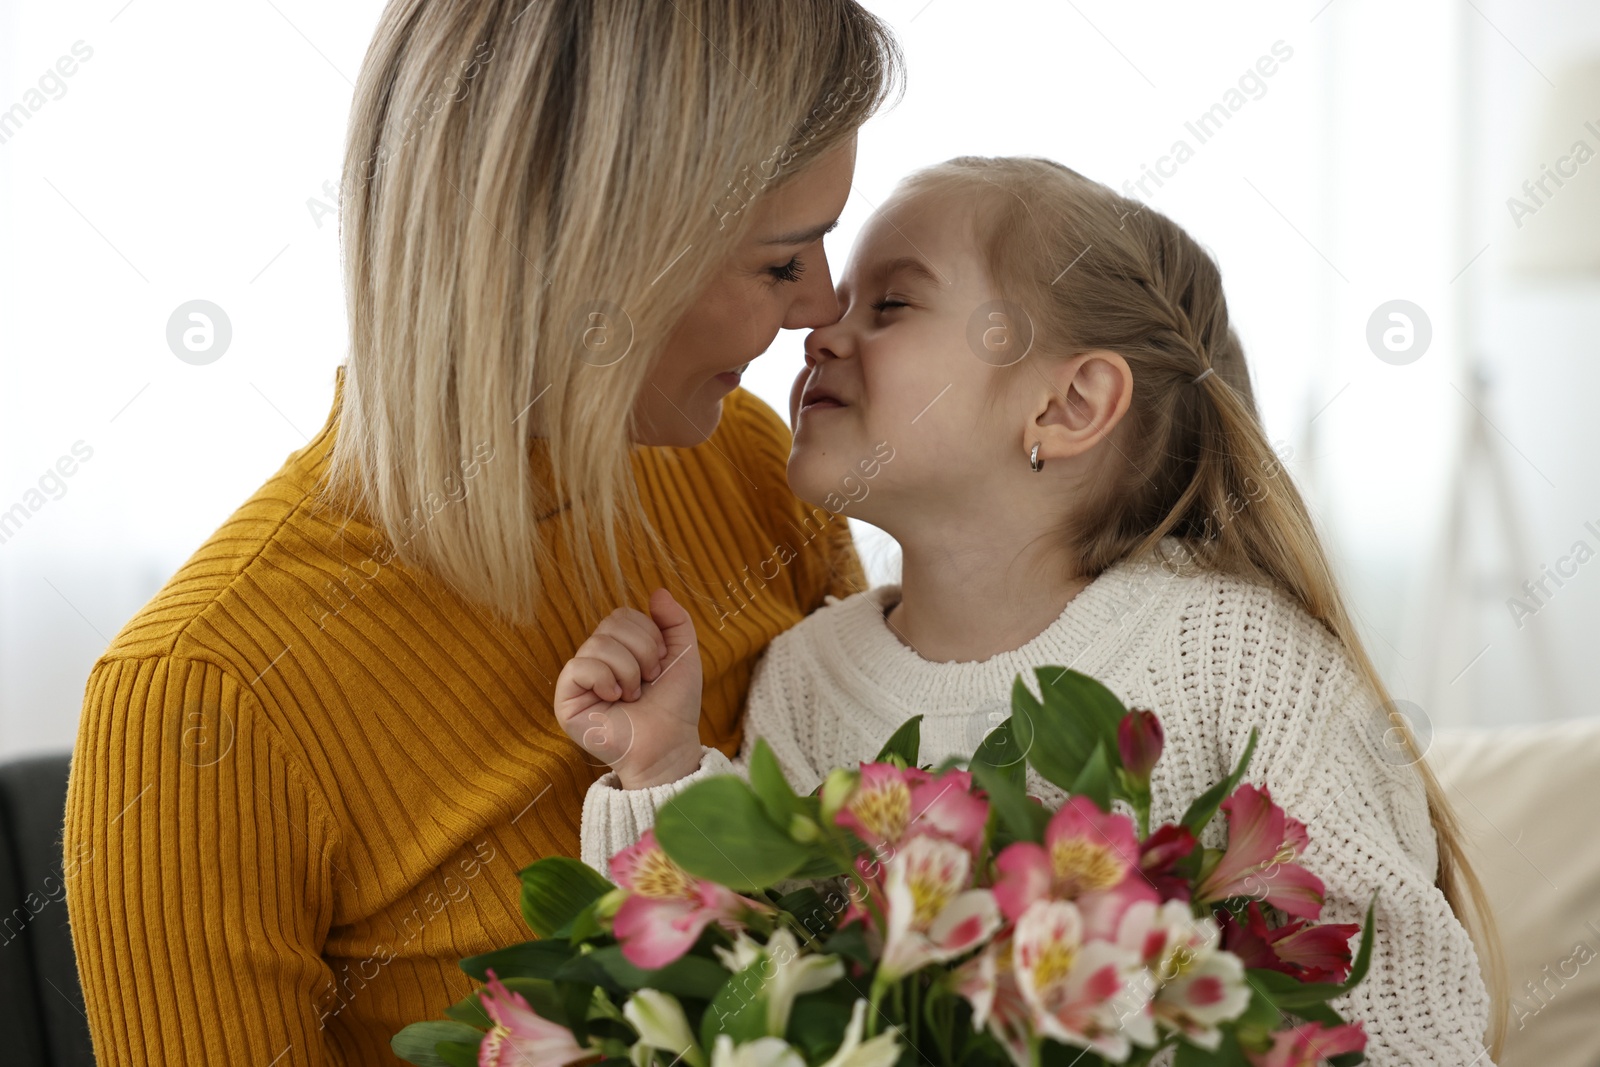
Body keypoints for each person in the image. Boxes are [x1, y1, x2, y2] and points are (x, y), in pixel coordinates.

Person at [62, 2, 903, 1063]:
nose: (820, 309)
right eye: (782, 262)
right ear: (590, 256)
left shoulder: (743, 463)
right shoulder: (203, 693)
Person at [560, 157, 1506, 1064]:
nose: (819, 332)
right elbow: (747, 983)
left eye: (890, 304)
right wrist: (661, 769)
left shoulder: (1240, 657)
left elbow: (1395, 1002)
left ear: (1068, 403)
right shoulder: (808, 675)